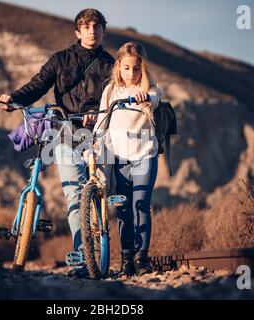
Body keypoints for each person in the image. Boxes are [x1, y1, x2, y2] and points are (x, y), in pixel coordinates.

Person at [0, 8, 115, 277]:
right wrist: (13, 100)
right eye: (86, 27)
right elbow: (37, 84)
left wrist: (97, 117)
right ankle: (83, 259)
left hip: (97, 135)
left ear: (103, 31)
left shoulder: (111, 65)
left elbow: (115, 97)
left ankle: (100, 253)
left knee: (98, 194)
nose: (92, 31)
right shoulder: (61, 60)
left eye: (97, 27)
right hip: (64, 134)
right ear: (77, 32)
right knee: (74, 195)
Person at [93, 41, 161, 276]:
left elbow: (154, 99)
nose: (132, 73)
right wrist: (95, 141)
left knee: (140, 205)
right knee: (122, 209)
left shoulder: (151, 88)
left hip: (145, 155)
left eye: (137, 68)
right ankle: (126, 261)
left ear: (143, 68)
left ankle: (142, 259)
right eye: (127, 68)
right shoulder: (111, 90)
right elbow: (102, 121)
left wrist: (145, 100)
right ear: (118, 67)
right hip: (119, 158)